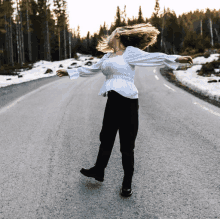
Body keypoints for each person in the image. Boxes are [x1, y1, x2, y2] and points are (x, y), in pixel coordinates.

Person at [56, 23, 193, 197]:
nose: (108, 37)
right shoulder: (107, 57)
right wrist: (68, 71)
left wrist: (177, 59)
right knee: (106, 138)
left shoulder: (130, 53)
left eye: (111, 34)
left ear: (118, 35)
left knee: (126, 146)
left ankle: (127, 183)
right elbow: (90, 69)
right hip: (112, 100)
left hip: (128, 102)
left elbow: (153, 57)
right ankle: (99, 171)